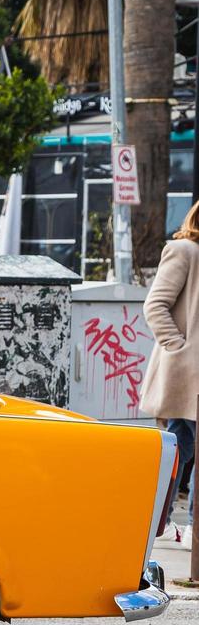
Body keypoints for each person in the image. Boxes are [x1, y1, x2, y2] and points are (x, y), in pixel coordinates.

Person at [140, 199, 199, 541]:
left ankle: (155, 523)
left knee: (179, 447)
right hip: (190, 374)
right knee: (180, 447)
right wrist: (181, 350)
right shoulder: (184, 251)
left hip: (191, 377)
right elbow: (155, 305)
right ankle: (185, 527)